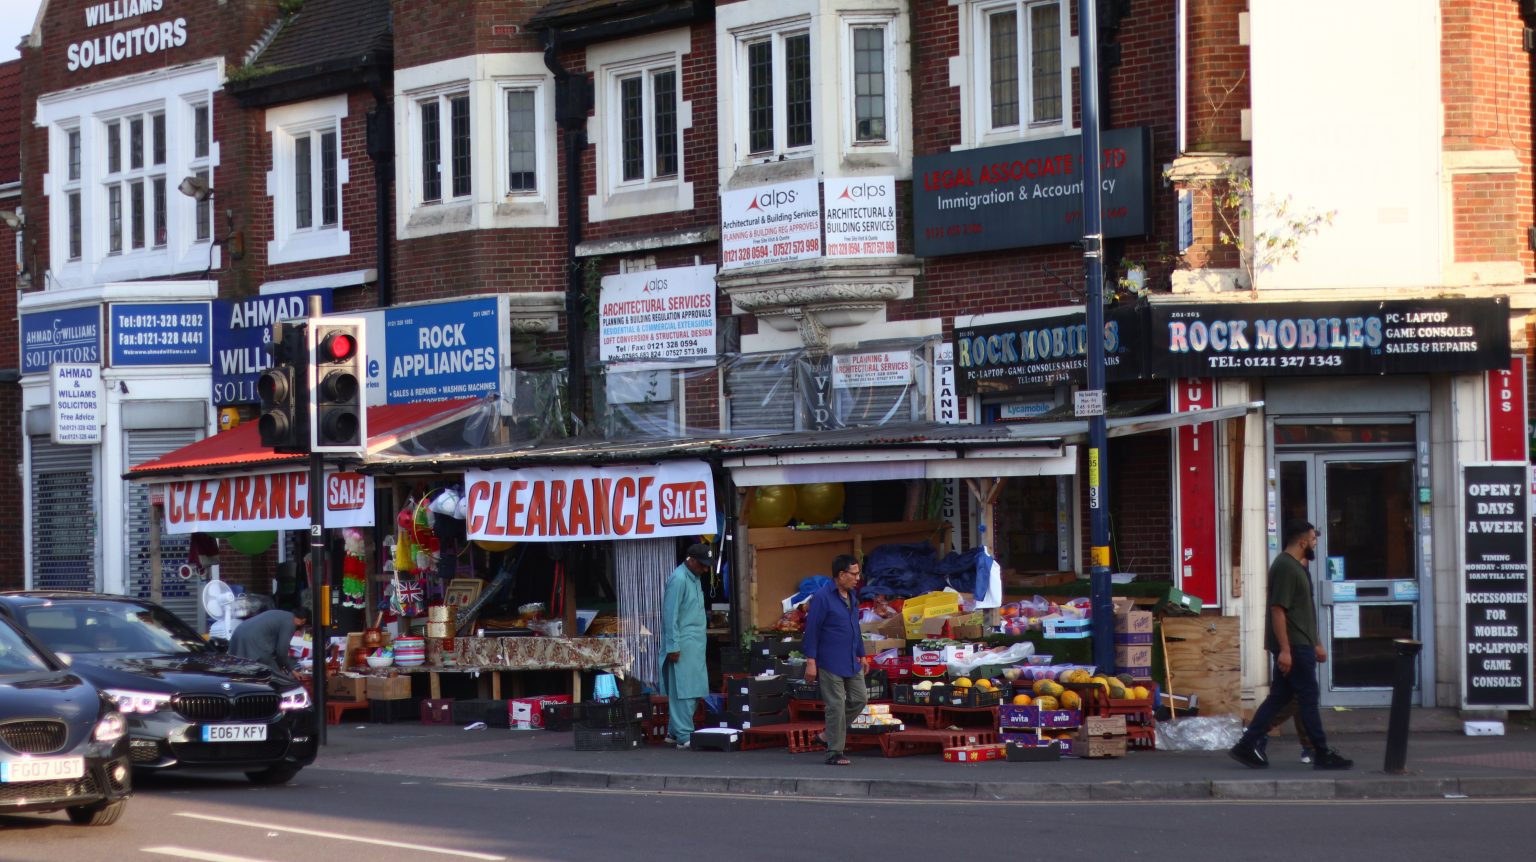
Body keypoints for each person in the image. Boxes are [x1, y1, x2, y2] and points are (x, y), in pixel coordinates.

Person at [1229, 519, 1353, 771]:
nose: (1315, 544)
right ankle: (1320, 752)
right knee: (1307, 697)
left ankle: (1247, 744)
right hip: (1294, 647)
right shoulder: (1286, 567)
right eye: (1313, 540)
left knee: (1280, 697)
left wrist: (1316, 643)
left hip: (1301, 644)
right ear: (1302, 541)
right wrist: (1285, 650)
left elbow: (1302, 613)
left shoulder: (1296, 567)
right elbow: (1278, 610)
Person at [804, 554, 868, 766]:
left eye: (858, 573)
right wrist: (811, 661)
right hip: (830, 661)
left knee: (860, 699)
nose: (858, 577)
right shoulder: (822, 598)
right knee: (836, 705)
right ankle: (834, 752)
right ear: (841, 575)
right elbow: (811, 631)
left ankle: (826, 735)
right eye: (854, 573)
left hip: (850, 659)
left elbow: (854, 627)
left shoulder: (852, 597)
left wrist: (862, 653)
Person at [659, 543, 710, 750]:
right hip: (683, 642)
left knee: (695, 688)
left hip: (695, 642)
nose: (705, 569)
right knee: (684, 689)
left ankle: (674, 731)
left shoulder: (694, 576)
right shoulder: (678, 579)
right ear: (691, 560)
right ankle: (683, 734)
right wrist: (672, 645)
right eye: (702, 565)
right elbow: (669, 615)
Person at [228, 607, 309, 675]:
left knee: (241, 672)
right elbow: (281, 651)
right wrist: (291, 669)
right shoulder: (290, 623)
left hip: (239, 632)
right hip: (254, 641)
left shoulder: (282, 614)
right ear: (303, 621)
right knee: (278, 677)